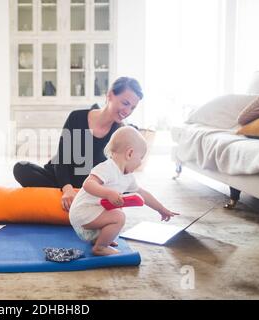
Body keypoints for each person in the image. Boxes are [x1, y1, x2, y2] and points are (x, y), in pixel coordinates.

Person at [13, 77, 143, 211]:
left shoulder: (120, 134)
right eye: (125, 103)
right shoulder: (77, 117)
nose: (127, 111)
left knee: (124, 188)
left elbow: (119, 173)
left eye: (132, 108)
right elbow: (62, 159)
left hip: (89, 187)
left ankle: (68, 197)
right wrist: (67, 189)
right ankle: (68, 196)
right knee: (21, 169)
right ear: (110, 95)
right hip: (60, 178)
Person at [69, 126, 179, 256]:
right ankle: (100, 247)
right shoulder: (107, 168)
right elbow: (88, 184)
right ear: (130, 153)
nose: (140, 163)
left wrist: (161, 209)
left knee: (117, 209)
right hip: (83, 211)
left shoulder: (128, 177)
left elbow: (142, 194)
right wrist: (108, 193)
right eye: (140, 158)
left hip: (93, 212)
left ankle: (99, 239)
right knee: (119, 216)